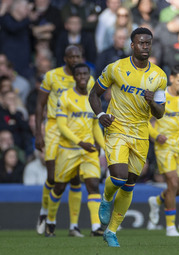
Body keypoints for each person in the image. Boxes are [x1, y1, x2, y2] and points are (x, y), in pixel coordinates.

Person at [89, 27, 167, 247]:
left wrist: (153, 102)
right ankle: (105, 199)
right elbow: (93, 94)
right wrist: (101, 114)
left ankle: (111, 231)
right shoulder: (116, 68)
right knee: (119, 177)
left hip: (141, 133)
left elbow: (160, 114)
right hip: (117, 127)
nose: (145, 47)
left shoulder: (159, 76)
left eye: (148, 43)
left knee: (130, 183)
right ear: (132, 45)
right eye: (141, 43)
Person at [35, 45, 95, 236]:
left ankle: (74, 226)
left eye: (78, 55)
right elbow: (40, 104)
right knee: (53, 177)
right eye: (72, 56)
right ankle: (45, 213)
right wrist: (38, 132)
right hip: (54, 126)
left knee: (76, 178)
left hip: (77, 128)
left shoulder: (87, 78)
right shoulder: (52, 76)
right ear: (65, 58)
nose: (76, 59)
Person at [45, 63, 105, 237]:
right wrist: (80, 142)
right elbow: (62, 126)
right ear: (74, 77)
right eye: (78, 75)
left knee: (93, 185)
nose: (82, 77)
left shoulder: (93, 98)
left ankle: (95, 227)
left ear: (89, 76)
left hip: (88, 150)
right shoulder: (65, 97)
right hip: (69, 149)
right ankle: (50, 221)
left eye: (85, 74)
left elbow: (95, 125)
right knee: (59, 187)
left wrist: (103, 147)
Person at [147, 65, 179, 236]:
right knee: (173, 183)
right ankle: (170, 227)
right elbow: (145, 121)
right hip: (164, 147)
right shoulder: (160, 97)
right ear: (171, 79)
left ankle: (156, 201)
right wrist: (155, 135)